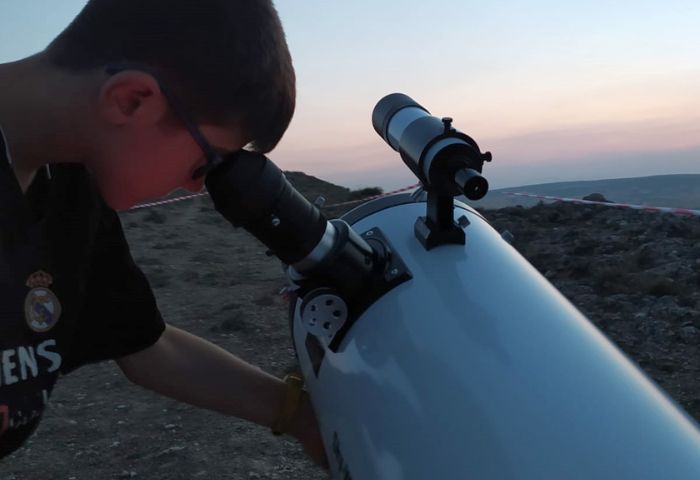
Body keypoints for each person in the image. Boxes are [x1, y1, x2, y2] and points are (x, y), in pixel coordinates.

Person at [0, 0, 328, 470]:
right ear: (131, 99)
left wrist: (302, 418)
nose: (198, 186)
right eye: (205, 164)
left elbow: (145, 345)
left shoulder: (70, 178)